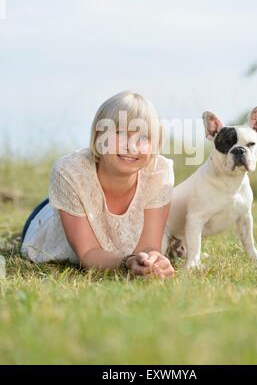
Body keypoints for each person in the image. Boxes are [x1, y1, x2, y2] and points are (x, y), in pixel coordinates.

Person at [21, 91, 175, 279]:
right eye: (120, 133)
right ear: (98, 137)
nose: (132, 147)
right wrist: (127, 262)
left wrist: (151, 261)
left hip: (119, 241)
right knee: (56, 210)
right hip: (52, 218)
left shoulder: (159, 173)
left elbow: (149, 247)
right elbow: (88, 253)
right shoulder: (69, 172)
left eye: (143, 138)